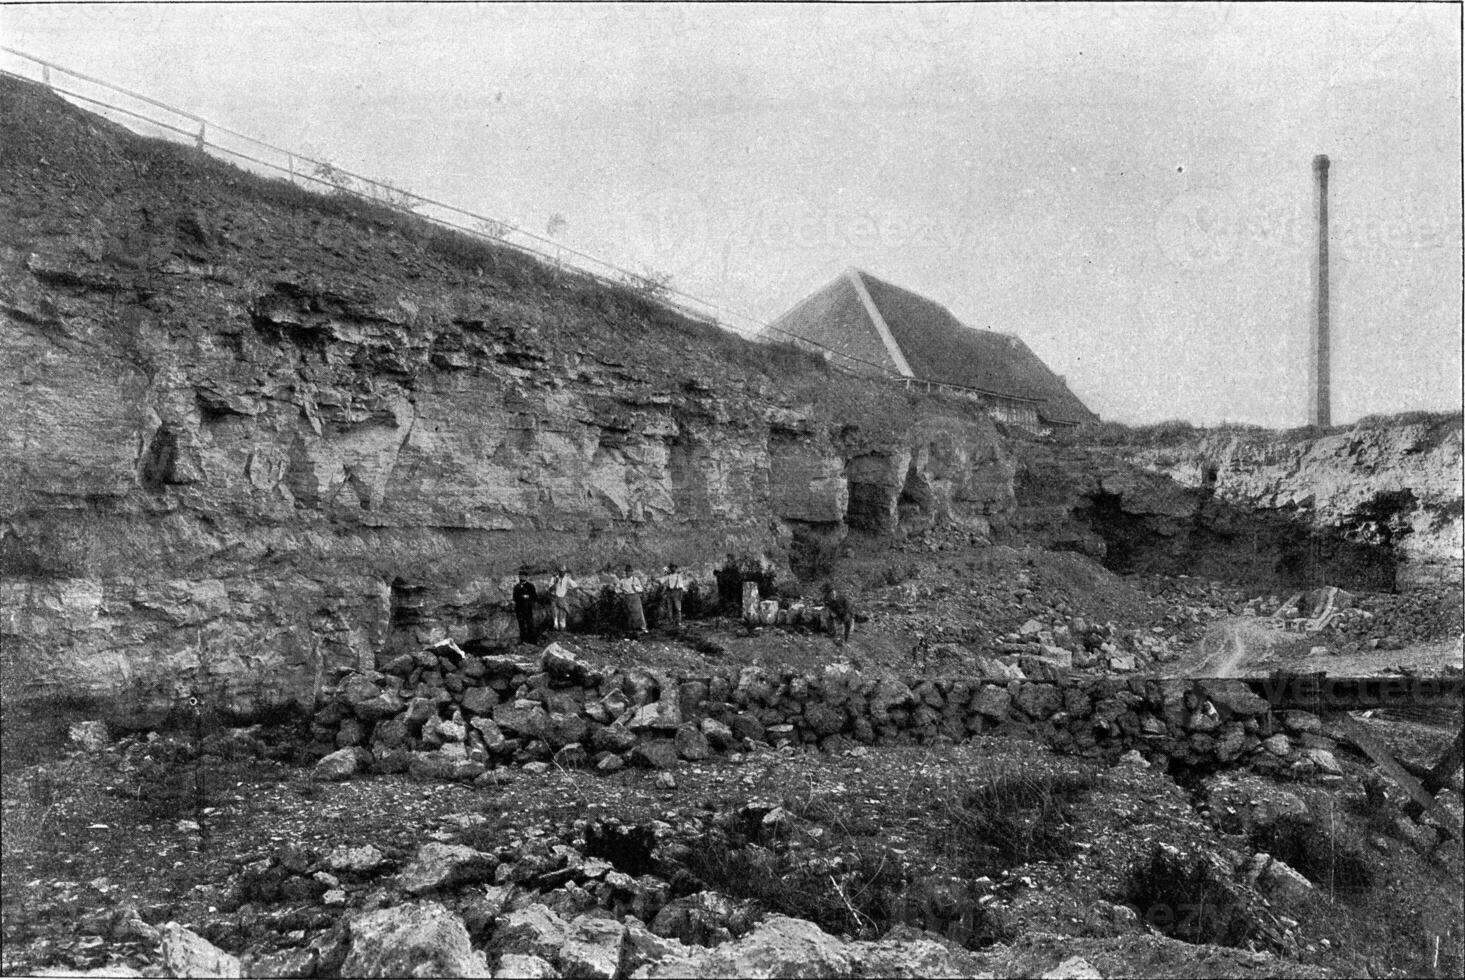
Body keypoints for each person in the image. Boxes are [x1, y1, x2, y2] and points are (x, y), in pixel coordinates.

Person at [617, 564, 647, 635]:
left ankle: (643, 628)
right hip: (627, 597)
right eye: (627, 571)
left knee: (639, 612)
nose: (628, 573)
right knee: (629, 613)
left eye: (629, 571)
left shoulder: (635, 579)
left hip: (635, 597)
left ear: (632, 572)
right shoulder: (622, 581)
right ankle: (631, 628)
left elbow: (641, 589)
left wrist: (635, 588)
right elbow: (616, 589)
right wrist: (622, 591)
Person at [512, 568, 538, 644]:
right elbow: (515, 597)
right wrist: (521, 597)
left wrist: (528, 597)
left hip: (528, 608)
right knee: (521, 625)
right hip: (519, 609)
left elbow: (535, 597)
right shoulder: (516, 587)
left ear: (526, 577)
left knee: (530, 624)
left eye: (523, 576)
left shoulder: (530, 586)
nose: (522, 578)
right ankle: (523, 640)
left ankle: (532, 641)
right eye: (520, 576)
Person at [549, 565, 577, 631]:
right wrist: (555, 583)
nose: (562, 573)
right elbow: (550, 589)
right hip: (554, 598)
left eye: (564, 572)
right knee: (555, 616)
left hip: (562, 598)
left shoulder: (567, 579)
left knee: (563, 615)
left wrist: (570, 589)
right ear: (559, 572)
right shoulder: (554, 578)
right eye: (561, 572)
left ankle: (563, 630)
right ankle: (555, 630)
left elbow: (575, 585)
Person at [659, 563, 687, 628]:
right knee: (669, 607)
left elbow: (681, 587)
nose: (672, 568)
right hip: (669, 592)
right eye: (671, 567)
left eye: (674, 567)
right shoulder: (668, 576)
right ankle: (670, 621)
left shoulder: (678, 576)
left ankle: (679, 622)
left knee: (678, 608)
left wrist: (681, 595)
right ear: (670, 568)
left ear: (675, 568)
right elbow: (661, 581)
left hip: (676, 592)